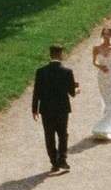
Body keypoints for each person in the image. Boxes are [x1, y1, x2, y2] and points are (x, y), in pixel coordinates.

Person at [32, 45, 79, 174]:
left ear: (50, 55)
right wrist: (76, 89)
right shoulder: (67, 72)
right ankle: (62, 159)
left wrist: (34, 110)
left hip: (46, 110)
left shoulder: (41, 72)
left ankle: (54, 162)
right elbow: (72, 93)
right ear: (61, 55)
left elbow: (37, 92)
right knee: (63, 134)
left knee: (49, 136)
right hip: (62, 109)